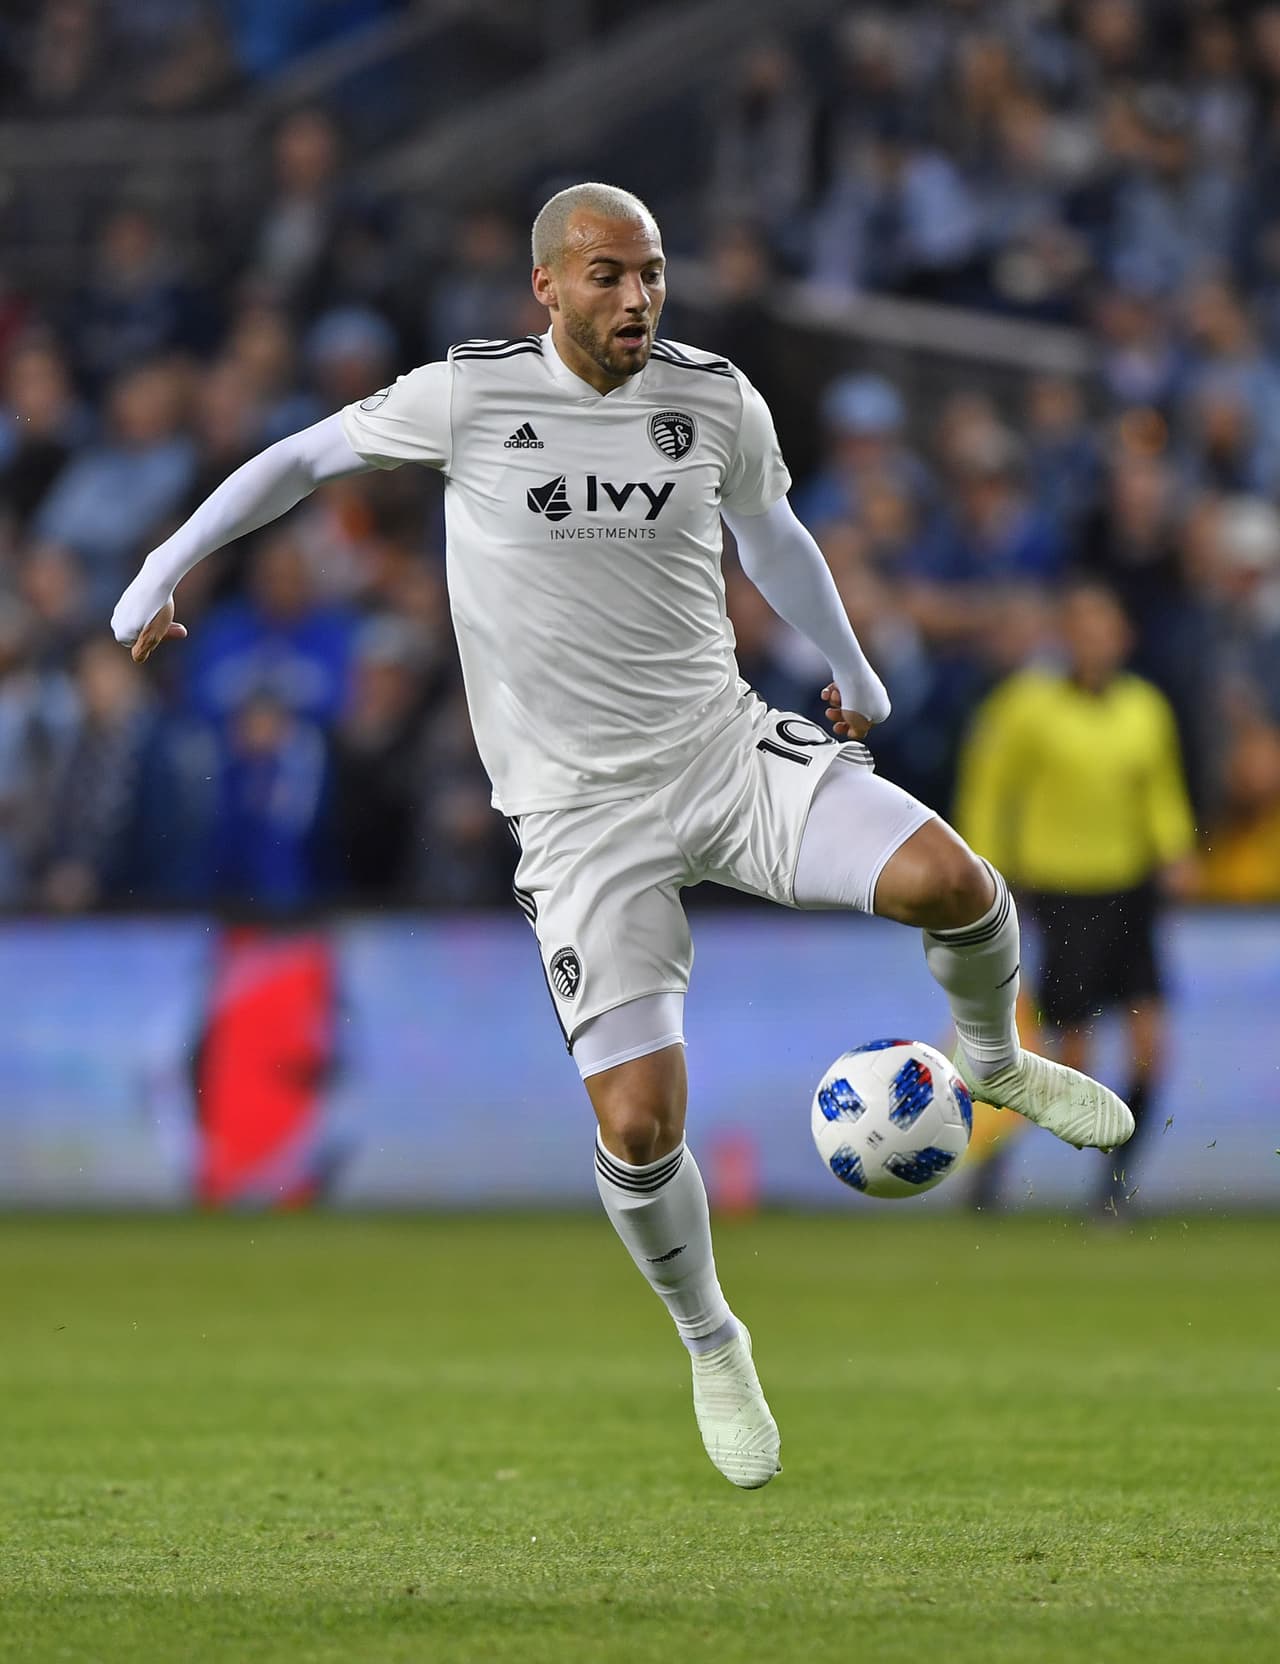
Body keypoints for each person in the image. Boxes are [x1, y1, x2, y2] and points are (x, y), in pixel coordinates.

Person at [111, 182, 1133, 1491]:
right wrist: (163, 566)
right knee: (644, 1128)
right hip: (581, 819)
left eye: (649, 272)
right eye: (606, 275)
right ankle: (713, 1337)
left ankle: (990, 1061)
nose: (636, 297)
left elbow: (773, 530)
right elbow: (303, 457)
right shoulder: (471, 397)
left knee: (955, 881)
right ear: (547, 287)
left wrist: (851, 667)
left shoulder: (712, 396)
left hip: (722, 754)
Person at [954, 579, 1195, 1214]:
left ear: (1123, 637)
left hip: (1131, 890)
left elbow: (1161, 793)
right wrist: (981, 867)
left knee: (1151, 1045)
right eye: (1081, 626)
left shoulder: (1145, 708)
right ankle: (993, 1170)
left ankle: (1114, 1186)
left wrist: (1176, 850)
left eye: (1104, 627)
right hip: (1063, 893)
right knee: (1071, 1053)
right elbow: (989, 789)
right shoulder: (1025, 707)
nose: (1094, 640)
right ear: (1064, 636)